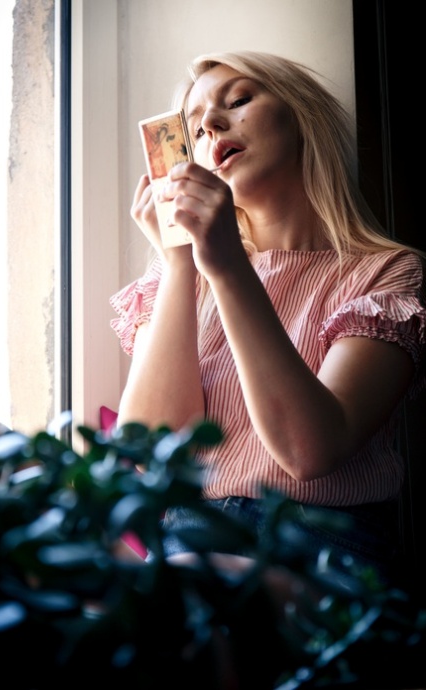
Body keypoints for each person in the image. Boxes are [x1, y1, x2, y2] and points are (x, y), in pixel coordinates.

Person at [109, 51, 426, 583]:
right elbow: (153, 450)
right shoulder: (181, 281)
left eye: (238, 100)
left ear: (304, 119)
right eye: (195, 127)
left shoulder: (386, 274)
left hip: (323, 549)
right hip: (187, 543)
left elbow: (310, 450)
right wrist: (180, 261)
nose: (211, 123)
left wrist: (229, 266)